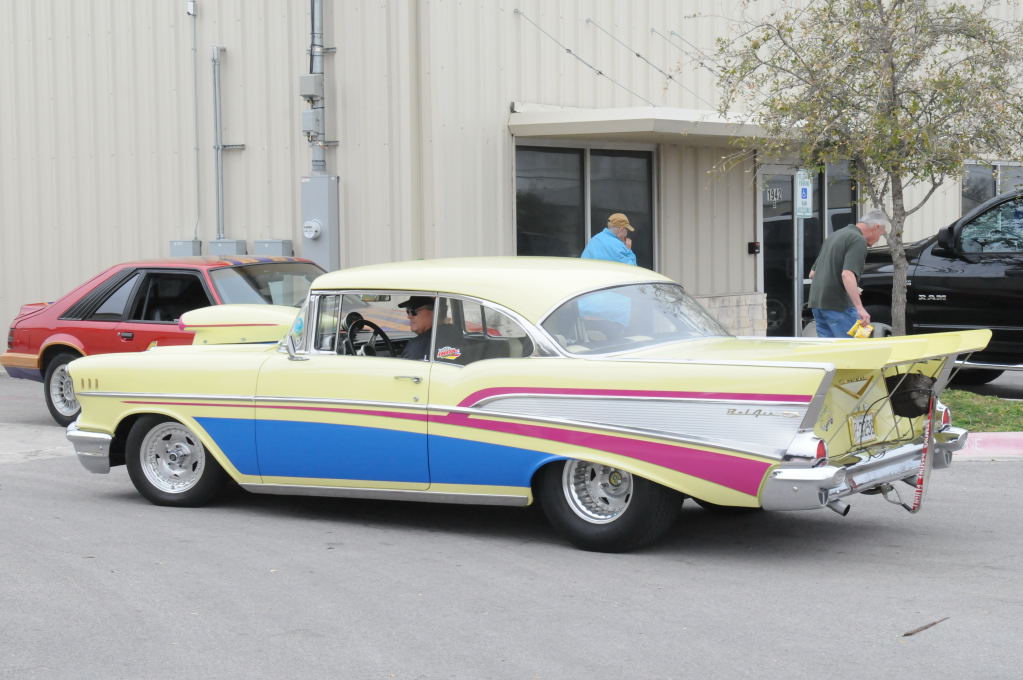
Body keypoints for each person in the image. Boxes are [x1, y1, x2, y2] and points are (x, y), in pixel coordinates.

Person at [808, 208, 889, 338]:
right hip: (839, 305)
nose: (878, 240)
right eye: (880, 234)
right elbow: (847, 275)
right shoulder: (858, 240)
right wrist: (860, 308)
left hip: (818, 304)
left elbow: (813, 274)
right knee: (853, 346)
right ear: (876, 227)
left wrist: (852, 287)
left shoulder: (835, 236)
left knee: (829, 348)